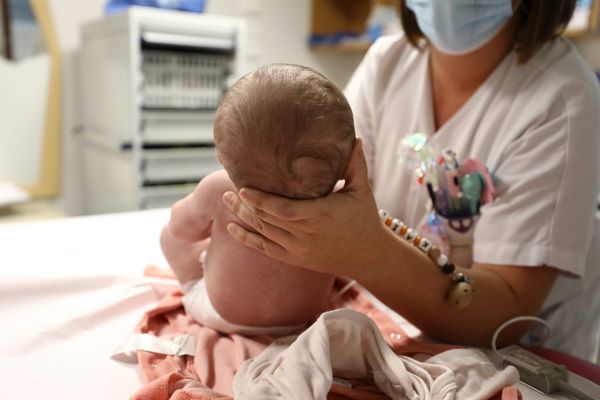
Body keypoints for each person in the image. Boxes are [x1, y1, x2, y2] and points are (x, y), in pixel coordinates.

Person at [222, 0, 600, 360]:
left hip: (518, 366)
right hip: (386, 332)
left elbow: (507, 316)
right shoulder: (387, 63)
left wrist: (366, 254)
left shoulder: (563, 99)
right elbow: (320, 191)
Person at [160, 63, 355, 335]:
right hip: (303, 317)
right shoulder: (340, 201)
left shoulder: (219, 189)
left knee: (169, 236)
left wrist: (186, 214)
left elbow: (182, 229)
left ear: (222, 155)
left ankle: (192, 285)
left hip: (224, 314)